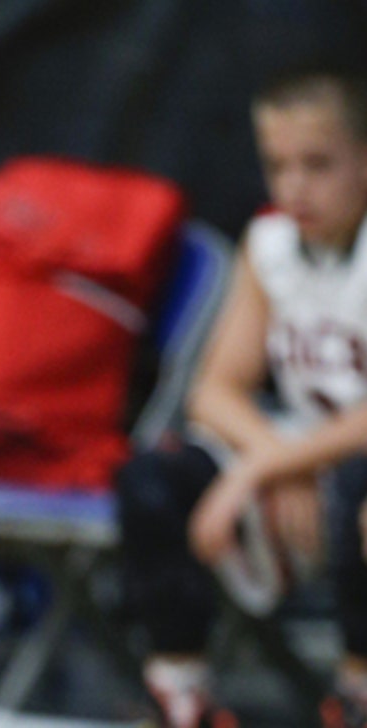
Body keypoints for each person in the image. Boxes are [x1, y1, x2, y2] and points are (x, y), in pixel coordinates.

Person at [117, 61, 367, 728]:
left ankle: (355, 692)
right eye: (278, 165)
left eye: (318, 164)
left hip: (345, 468)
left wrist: (267, 464)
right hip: (303, 456)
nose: (295, 186)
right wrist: (276, 457)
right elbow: (215, 390)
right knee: (151, 480)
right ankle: (180, 694)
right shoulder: (269, 243)